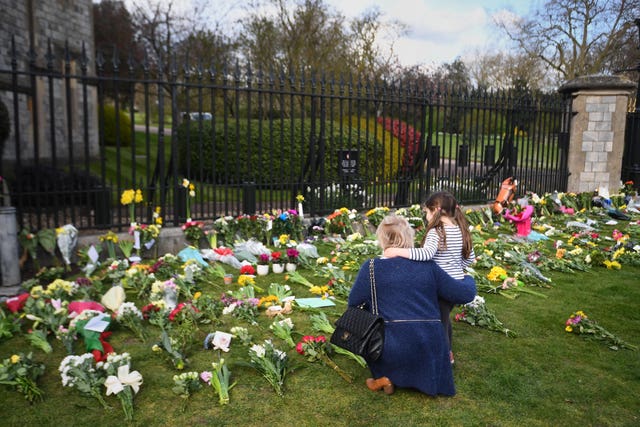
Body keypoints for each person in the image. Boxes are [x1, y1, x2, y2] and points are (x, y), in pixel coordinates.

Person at [348, 214, 476, 396]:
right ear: (409, 237)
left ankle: (386, 378)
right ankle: (422, 376)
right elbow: (464, 294)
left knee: (377, 325)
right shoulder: (428, 267)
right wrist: (468, 279)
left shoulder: (370, 268)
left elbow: (353, 303)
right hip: (429, 346)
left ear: (382, 238)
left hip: (387, 346)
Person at [383, 191, 475, 364]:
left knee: (438, 323)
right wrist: (454, 268)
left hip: (441, 286)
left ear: (435, 210)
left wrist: (396, 251)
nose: (426, 216)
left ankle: (443, 358)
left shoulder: (437, 231)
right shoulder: (461, 229)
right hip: (457, 283)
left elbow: (426, 254)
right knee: (444, 318)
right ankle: (448, 353)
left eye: (426, 212)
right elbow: (470, 258)